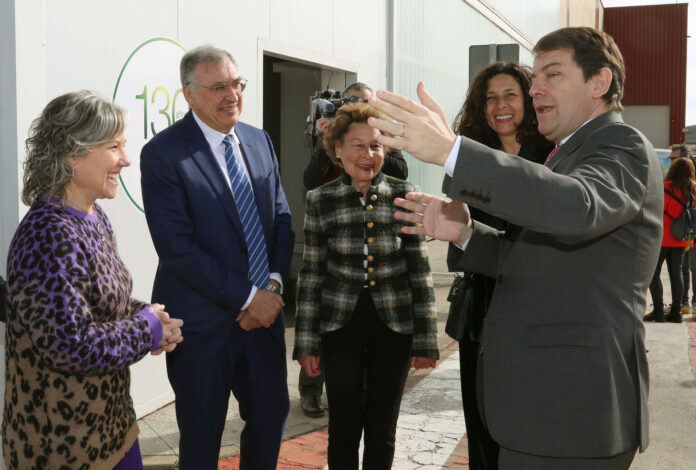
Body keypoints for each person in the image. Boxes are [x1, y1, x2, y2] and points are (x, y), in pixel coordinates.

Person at [369, 26, 662, 470]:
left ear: (598, 83)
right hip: (541, 409)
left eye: (552, 74)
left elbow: (576, 209)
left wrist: (452, 153)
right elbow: (532, 259)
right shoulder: (568, 153)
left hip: (571, 414)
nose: (535, 87)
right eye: (535, 76)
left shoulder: (621, 146)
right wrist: (466, 233)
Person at [3, 90, 183, 470]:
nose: (126, 159)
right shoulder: (47, 235)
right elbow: (71, 345)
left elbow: (99, 304)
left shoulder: (93, 216)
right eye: (113, 146)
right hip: (64, 448)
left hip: (112, 429)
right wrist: (143, 329)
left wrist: (151, 318)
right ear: (72, 153)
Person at [140, 45, 294, 470]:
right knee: (202, 438)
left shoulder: (258, 140)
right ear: (188, 94)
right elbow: (177, 248)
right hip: (202, 327)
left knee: (270, 416)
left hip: (263, 321)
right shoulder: (163, 154)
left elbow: (281, 218)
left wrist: (272, 288)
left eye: (236, 83)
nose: (232, 95)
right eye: (218, 87)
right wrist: (248, 297)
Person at [293, 102, 438, 469]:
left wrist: (426, 340)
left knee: (382, 427)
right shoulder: (320, 200)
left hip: (395, 330)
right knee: (343, 426)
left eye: (375, 146)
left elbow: (419, 272)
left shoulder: (406, 195)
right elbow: (311, 275)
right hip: (339, 329)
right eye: (357, 145)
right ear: (337, 149)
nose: (368, 154)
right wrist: (306, 343)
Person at [445, 61, 552, 470]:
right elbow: (460, 247)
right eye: (490, 97)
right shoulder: (471, 159)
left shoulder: (552, 157)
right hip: (480, 312)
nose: (499, 105)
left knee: (527, 430)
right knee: (482, 429)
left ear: (528, 99)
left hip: (534, 312)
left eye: (510, 94)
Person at [300, 81, 409, 418]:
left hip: (372, 229)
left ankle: (350, 388)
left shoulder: (379, 138)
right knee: (325, 314)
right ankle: (311, 390)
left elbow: (400, 172)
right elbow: (310, 178)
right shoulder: (331, 137)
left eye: (362, 103)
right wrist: (324, 140)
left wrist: (376, 142)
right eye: (350, 103)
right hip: (331, 227)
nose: (354, 109)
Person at [645, 157, 696, 323]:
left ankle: (658, 311)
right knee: (677, 272)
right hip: (682, 238)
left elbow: (655, 210)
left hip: (662, 237)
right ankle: (676, 312)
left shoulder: (665, 188)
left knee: (653, 273)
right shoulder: (694, 190)